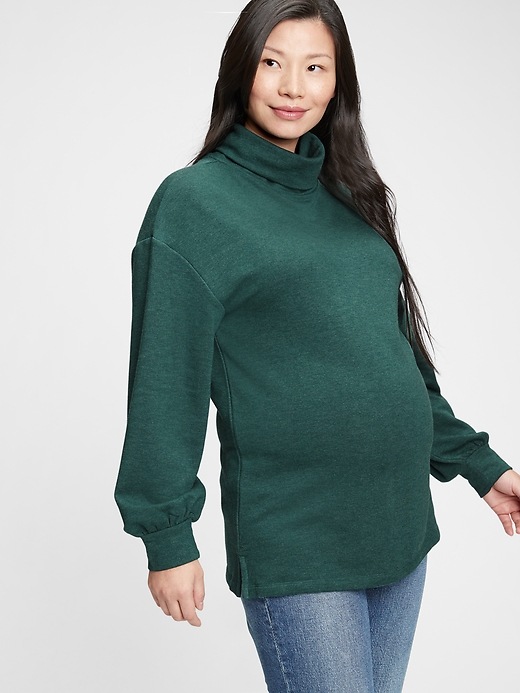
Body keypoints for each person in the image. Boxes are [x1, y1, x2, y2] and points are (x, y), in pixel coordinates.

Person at [114, 1, 520, 691]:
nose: (292, 87)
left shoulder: (350, 193)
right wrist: (167, 535)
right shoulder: (194, 203)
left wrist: (479, 464)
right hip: (299, 537)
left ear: (338, 82)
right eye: (272, 62)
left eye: (315, 67)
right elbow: (164, 379)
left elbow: (396, 357)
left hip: (397, 525)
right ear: (240, 70)